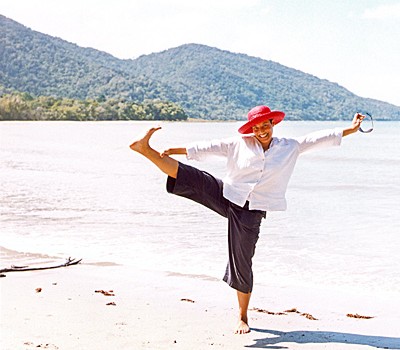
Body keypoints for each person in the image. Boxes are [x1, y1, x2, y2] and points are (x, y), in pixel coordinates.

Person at [129, 105, 365, 334]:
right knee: (192, 176)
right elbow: (207, 147)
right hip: (228, 194)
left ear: (273, 123)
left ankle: (242, 315)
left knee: (242, 261)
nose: (261, 131)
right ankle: (144, 149)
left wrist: (351, 130)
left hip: (251, 211)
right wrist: (174, 150)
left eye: (265, 125)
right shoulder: (238, 144)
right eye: (256, 128)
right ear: (250, 129)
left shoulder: (289, 146)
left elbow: (317, 138)